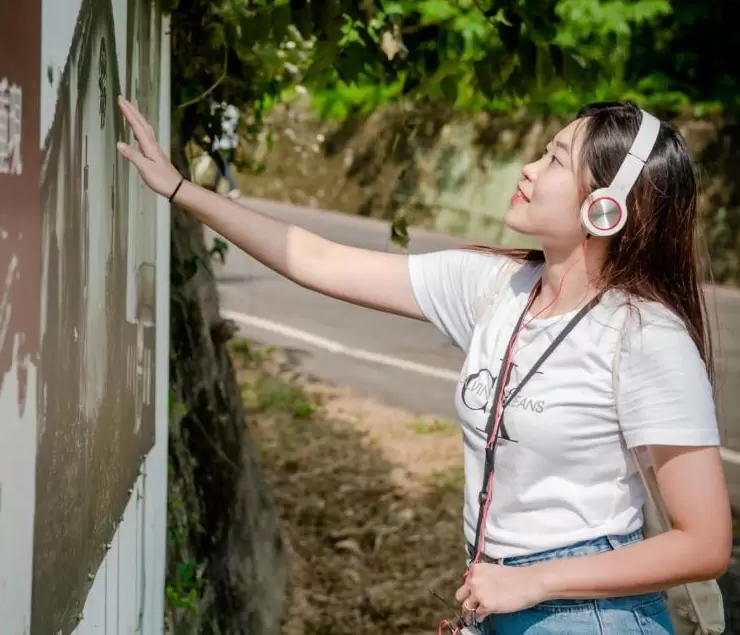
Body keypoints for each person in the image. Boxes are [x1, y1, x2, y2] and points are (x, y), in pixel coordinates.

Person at [116, 95, 731, 634]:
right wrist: (178, 189)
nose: (527, 168)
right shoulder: (496, 287)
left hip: (590, 617)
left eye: (553, 160)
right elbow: (321, 262)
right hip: (498, 600)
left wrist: (535, 583)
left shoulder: (645, 335)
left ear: (604, 210)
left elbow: (703, 544)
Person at [208, 101, 241, 199]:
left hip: (223, 143)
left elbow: (222, 127)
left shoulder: (224, 110)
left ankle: (233, 188)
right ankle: (214, 187)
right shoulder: (234, 110)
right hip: (230, 143)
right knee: (221, 166)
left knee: (224, 166)